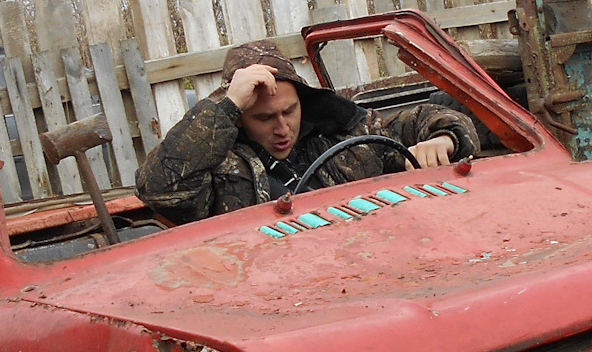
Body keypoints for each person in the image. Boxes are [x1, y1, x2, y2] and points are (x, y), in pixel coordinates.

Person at [136, 40, 480, 223]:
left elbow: (432, 117)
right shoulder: (218, 173)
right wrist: (227, 106)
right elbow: (158, 188)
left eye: (290, 110)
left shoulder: (347, 136)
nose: (282, 128)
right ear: (240, 118)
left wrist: (443, 139)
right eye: (265, 118)